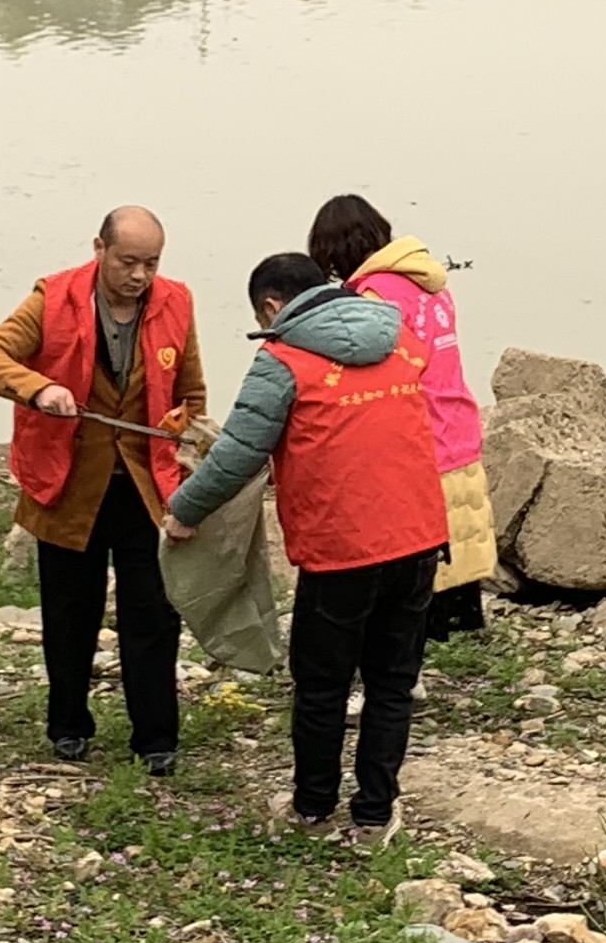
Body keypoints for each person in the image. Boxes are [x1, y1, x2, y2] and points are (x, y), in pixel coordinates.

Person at [168, 251, 448, 833]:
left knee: (322, 685)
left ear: (272, 306)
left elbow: (237, 455)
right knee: (391, 684)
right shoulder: (399, 337)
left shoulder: (282, 360)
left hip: (341, 549)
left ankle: (313, 808)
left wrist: (184, 512)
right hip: (419, 537)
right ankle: (374, 816)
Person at [0, 206, 207, 772]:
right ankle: (68, 725)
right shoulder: (52, 299)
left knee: (153, 613)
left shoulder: (177, 301)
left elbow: (190, 393)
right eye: (128, 262)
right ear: (99, 249)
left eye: (151, 263)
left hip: (146, 485)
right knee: (70, 612)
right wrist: (38, 389)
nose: (139, 276)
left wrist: (189, 458)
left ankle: (156, 738)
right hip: (68, 484)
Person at [309, 192, 493, 639]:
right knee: (452, 553)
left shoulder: (374, 295)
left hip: (418, 436)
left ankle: (405, 660)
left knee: (412, 563)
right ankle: (431, 653)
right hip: (457, 422)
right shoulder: (432, 284)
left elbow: (370, 370)